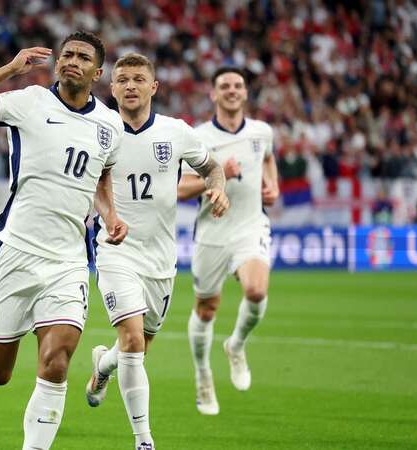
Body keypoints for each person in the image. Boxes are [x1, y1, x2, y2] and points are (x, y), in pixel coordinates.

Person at [0, 31, 128, 450]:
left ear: (98, 72)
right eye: (67, 55)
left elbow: (101, 174)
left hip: (68, 261)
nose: (72, 61)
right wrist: (9, 69)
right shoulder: (29, 101)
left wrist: (111, 214)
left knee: (57, 360)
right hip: (18, 252)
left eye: (82, 57)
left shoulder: (110, 125)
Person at [84, 53, 228, 450]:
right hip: (115, 250)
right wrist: (107, 214)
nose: (130, 85)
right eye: (123, 79)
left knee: (137, 347)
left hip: (161, 260)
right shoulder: (96, 130)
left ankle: (102, 365)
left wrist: (218, 187)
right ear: (111, 88)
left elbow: (211, 166)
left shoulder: (175, 131)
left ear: (153, 87)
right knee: (131, 340)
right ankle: (144, 440)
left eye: (138, 79)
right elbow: (93, 183)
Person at [178, 67, 279, 415]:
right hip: (212, 233)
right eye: (224, 86)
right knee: (206, 309)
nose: (232, 90)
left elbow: (268, 159)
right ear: (213, 94)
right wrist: (219, 174)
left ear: (246, 93)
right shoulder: (198, 137)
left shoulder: (262, 132)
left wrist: (273, 184)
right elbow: (179, 189)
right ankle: (203, 375)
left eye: (238, 85)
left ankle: (236, 345)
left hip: (251, 227)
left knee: (256, 291)